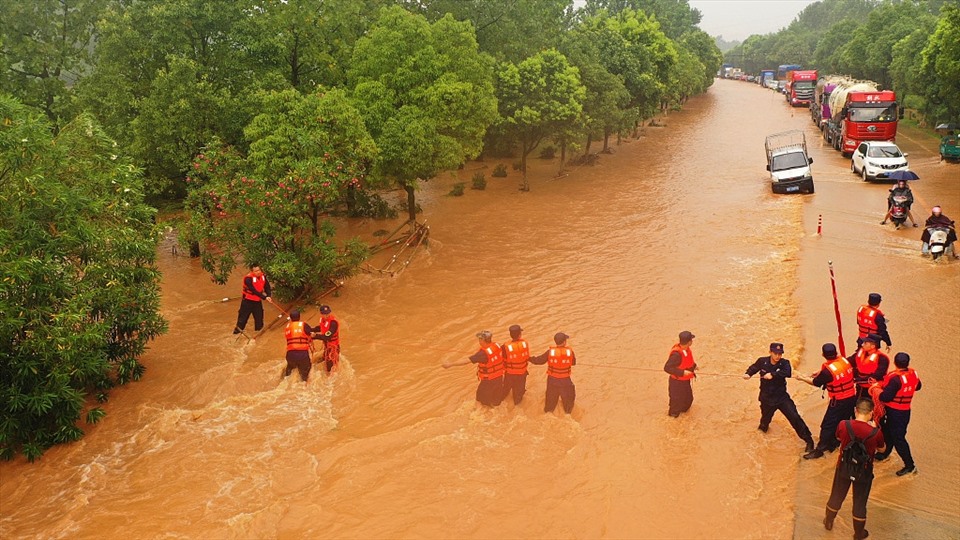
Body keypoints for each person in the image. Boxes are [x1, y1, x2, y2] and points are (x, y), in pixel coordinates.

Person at [823, 399, 886, 540]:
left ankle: (828, 522)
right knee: (860, 502)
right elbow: (882, 449)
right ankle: (858, 534)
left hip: (843, 467)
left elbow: (839, 437)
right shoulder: (876, 432)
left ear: (855, 411)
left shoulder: (843, 424)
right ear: (871, 413)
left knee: (836, 495)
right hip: (864, 471)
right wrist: (874, 428)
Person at [743, 343, 816, 453]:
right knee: (764, 421)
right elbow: (753, 368)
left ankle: (809, 441)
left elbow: (787, 372)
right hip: (766, 399)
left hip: (782, 398)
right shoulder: (762, 361)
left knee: (795, 417)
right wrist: (748, 374)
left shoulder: (784, 363)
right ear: (770, 352)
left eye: (780, 354)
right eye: (775, 353)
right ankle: (761, 439)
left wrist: (773, 374)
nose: (778, 356)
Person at [871, 352, 921, 476]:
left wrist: (876, 388)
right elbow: (918, 386)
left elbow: (885, 397)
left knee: (898, 439)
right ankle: (885, 453)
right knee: (887, 432)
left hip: (894, 412)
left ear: (894, 362)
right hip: (905, 411)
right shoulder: (913, 374)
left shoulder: (895, 379)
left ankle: (910, 466)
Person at [443, 331, 505, 407]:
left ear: (482, 340)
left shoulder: (482, 354)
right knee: (496, 401)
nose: (479, 341)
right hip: (499, 377)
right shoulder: (497, 345)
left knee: (481, 401)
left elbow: (466, 361)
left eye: (479, 339)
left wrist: (450, 364)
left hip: (488, 381)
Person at [529, 332, 576, 414]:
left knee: (549, 405)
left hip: (552, 381)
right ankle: (567, 413)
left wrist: (529, 358)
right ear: (564, 342)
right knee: (569, 402)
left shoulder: (550, 352)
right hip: (565, 380)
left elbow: (539, 361)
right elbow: (573, 363)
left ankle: (548, 413)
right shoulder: (570, 352)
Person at [663, 331, 696, 417]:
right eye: (691, 340)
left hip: (685, 381)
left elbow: (686, 361)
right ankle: (672, 421)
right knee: (675, 405)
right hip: (676, 383)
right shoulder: (676, 355)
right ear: (689, 342)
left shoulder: (686, 350)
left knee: (688, 400)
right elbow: (667, 368)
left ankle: (684, 420)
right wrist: (682, 372)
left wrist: (694, 366)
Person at [234, 263, 272, 334]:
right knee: (242, 320)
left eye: (259, 270)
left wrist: (269, 295)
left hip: (257, 301)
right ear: (252, 271)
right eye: (256, 271)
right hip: (247, 301)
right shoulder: (248, 279)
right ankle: (236, 333)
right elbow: (254, 291)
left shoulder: (263, 276)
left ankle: (258, 334)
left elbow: (267, 287)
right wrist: (265, 297)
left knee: (259, 319)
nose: (258, 272)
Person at [850, 334, 889, 398]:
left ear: (873, 346)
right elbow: (849, 361)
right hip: (860, 387)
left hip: (872, 389)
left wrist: (856, 379)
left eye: (865, 343)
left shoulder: (882, 359)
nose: (862, 345)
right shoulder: (860, 353)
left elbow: (877, 376)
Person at [501, 324, 530, 405]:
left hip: (510, 374)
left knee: (505, 390)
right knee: (518, 395)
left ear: (510, 335)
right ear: (520, 335)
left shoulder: (505, 346)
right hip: (522, 373)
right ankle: (517, 405)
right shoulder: (525, 344)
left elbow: (499, 356)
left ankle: (499, 402)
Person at [282, 309, 314, 382]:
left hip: (290, 354)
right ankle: (305, 385)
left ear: (291, 318)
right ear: (299, 317)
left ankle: (283, 381)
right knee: (305, 374)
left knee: (289, 371)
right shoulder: (304, 325)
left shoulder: (287, 327)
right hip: (302, 354)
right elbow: (310, 333)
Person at [313, 304, 340, 373]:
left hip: (333, 348)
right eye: (325, 314)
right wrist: (310, 330)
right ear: (321, 314)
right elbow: (321, 327)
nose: (327, 315)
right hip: (327, 346)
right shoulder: (322, 320)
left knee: (329, 369)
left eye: (328, 313)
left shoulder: (333, 323)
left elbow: (327, 336)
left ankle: (330, 377)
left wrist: (315, 336)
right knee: (321, 360)